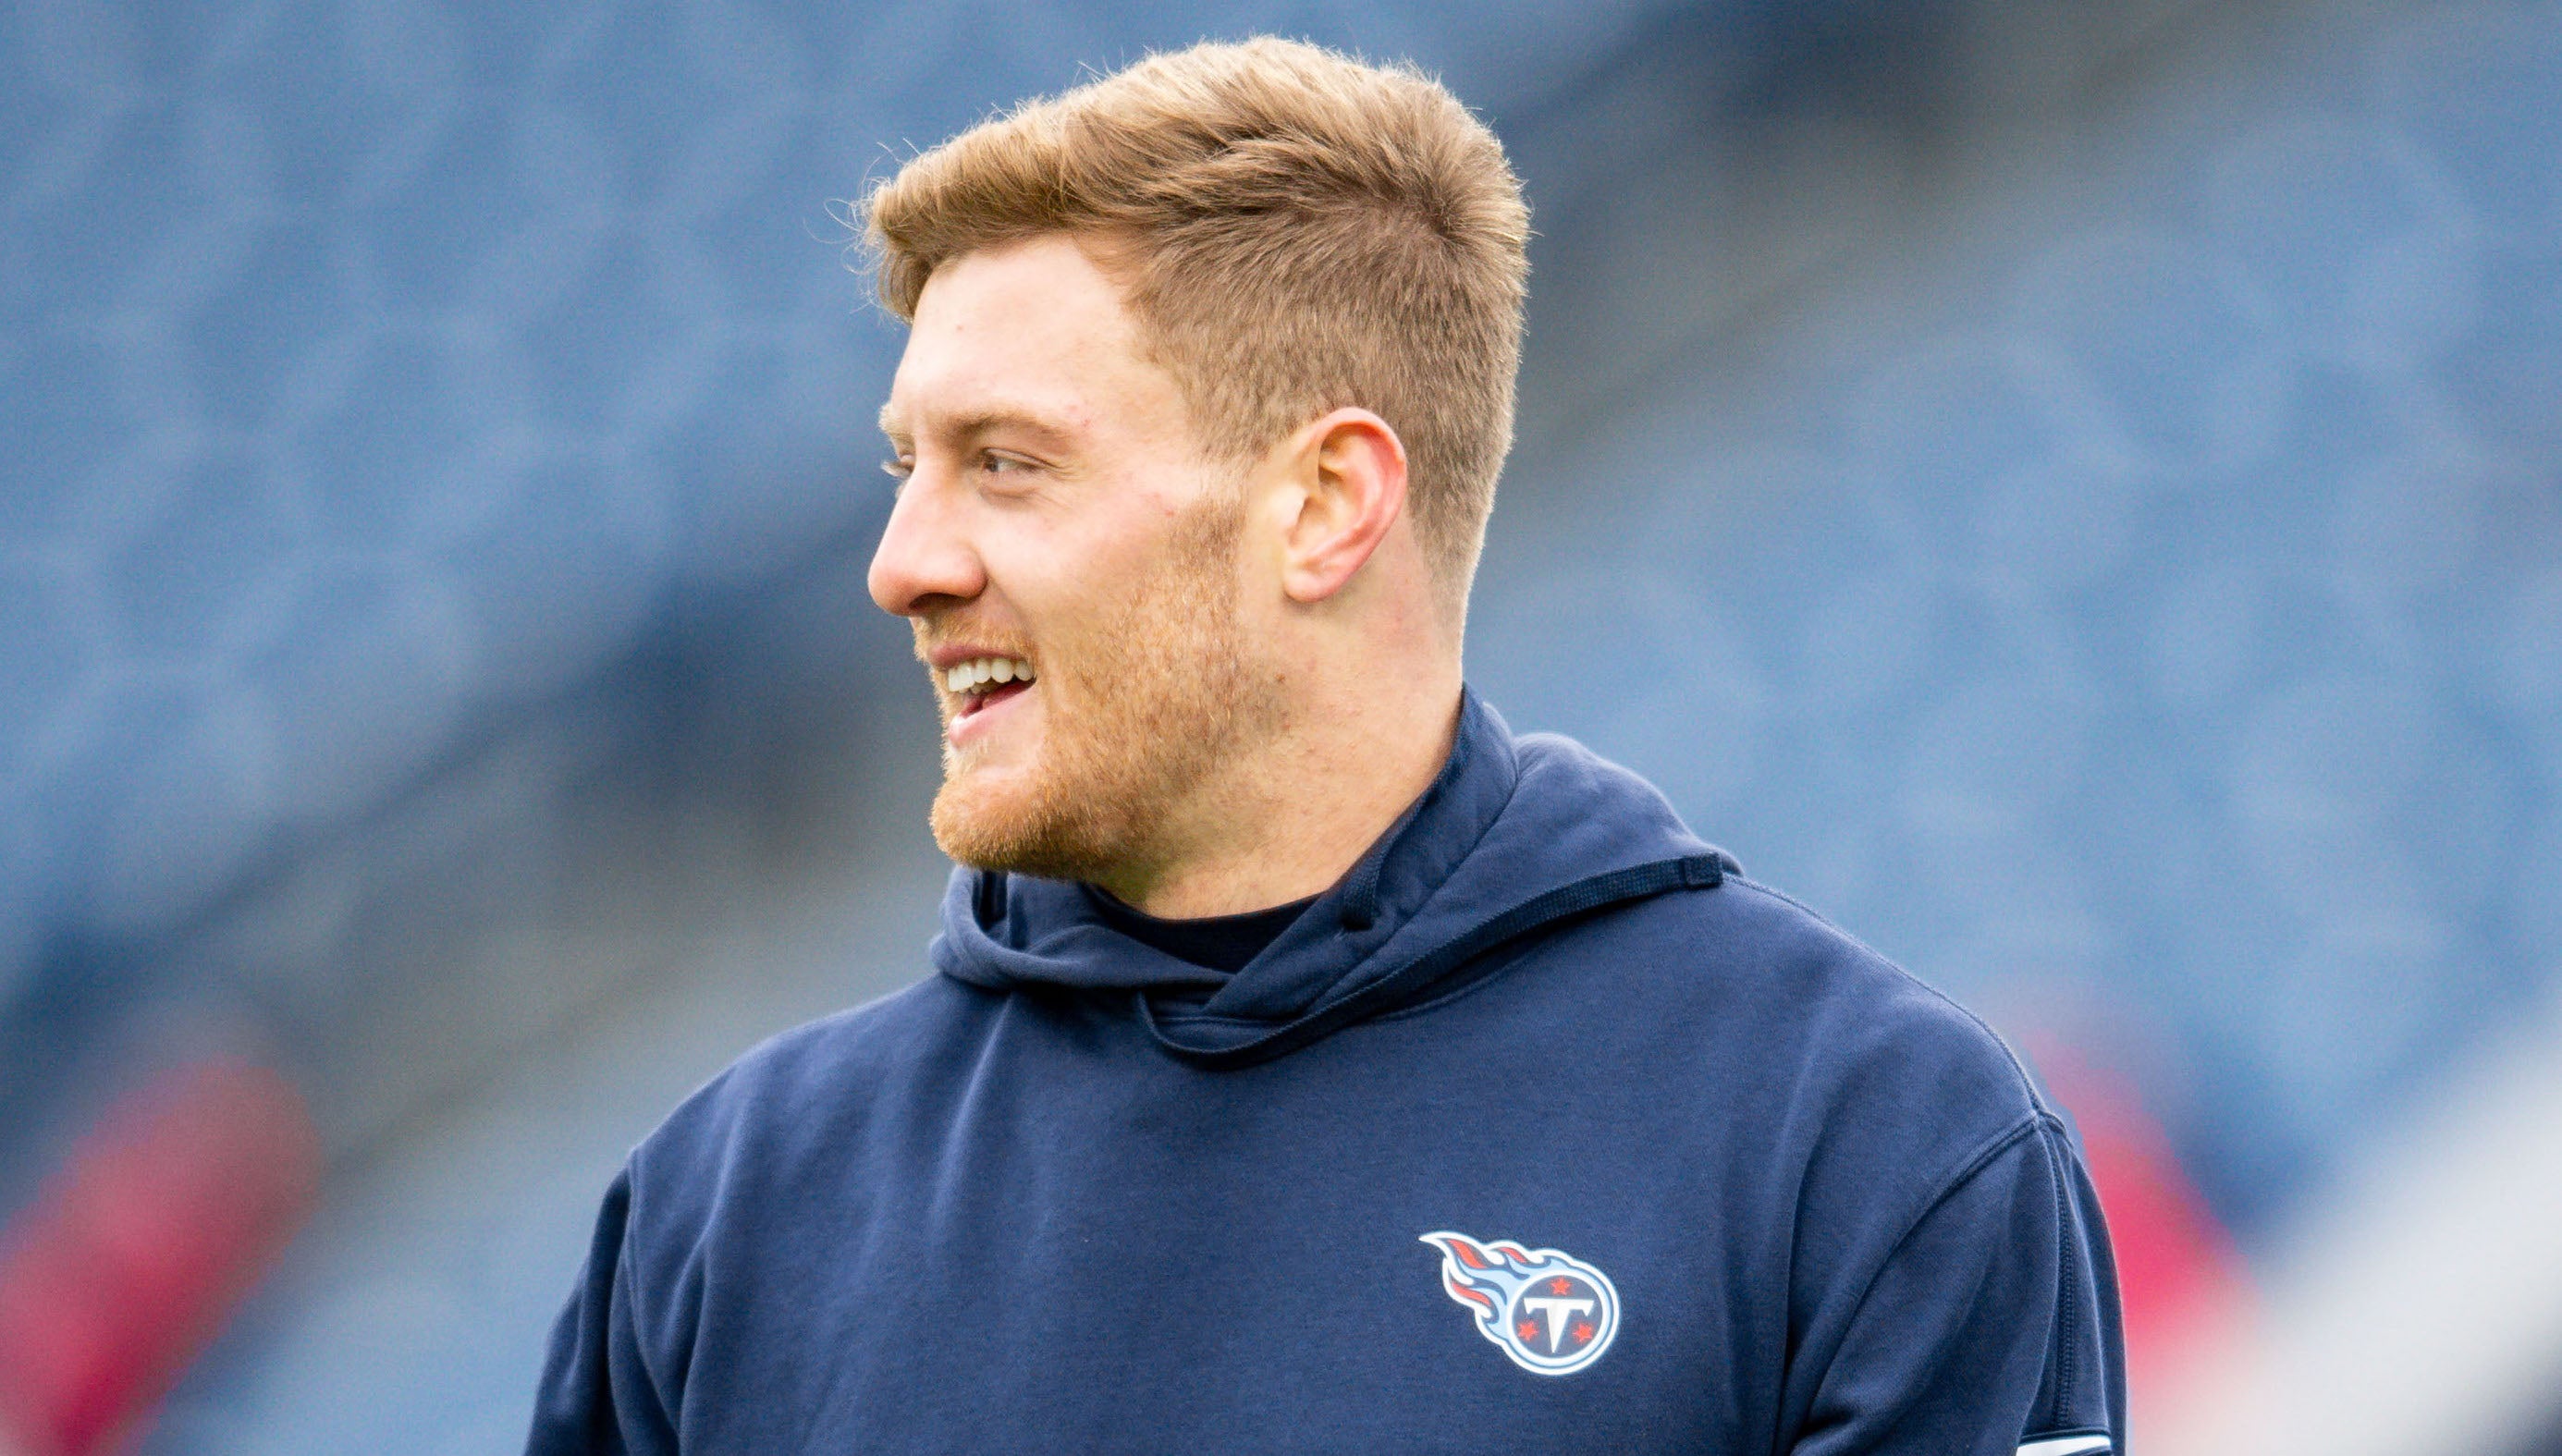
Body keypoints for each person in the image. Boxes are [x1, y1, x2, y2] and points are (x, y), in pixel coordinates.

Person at [526, 38, 2124, 1455]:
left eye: (1005, 464)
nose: (904, 566)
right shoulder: (727, 1214)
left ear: (1325, 505)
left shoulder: (1862, 1147)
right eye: (904, 467)